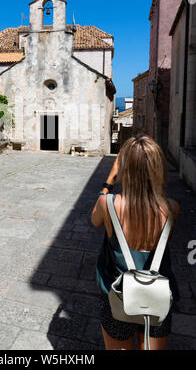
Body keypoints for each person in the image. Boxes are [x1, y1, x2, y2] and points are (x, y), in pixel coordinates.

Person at [91, 135, 180, 350]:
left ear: (124, 169)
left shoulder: (108, 204)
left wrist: (109, 180)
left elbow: (94, 221)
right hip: (157, 299)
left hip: (118, 297)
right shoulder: (171, 209)